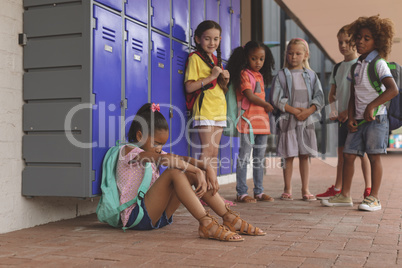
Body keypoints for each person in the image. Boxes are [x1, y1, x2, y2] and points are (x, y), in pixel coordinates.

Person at [116, 103, 266, 241]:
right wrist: (197, 170)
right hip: (136, 218)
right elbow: (165, 160)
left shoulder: (152, 151)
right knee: (174, 171)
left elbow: (180, 158)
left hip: (158, 216)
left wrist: (205, 168)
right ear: (139, 136)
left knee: (188, 172)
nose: (159, 149)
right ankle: (206, 224)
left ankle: (230, 219)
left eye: (162, 145)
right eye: (156, 143)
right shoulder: (130, 151)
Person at [322, 15, 398, 211]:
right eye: (359, 37)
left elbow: (392, 90)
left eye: (367, 38)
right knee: (348, 155)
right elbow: (353, 94)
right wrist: (351, 116)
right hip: (357, 120)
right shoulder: (357, 66)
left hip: (376, 120)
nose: (360, 41)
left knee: (374, 156)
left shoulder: (378, 63)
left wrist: (371, 106)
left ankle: (374, 198)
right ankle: (345, 195)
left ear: (377, 41)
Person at [316, 26, 371, 201]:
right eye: (340, 42)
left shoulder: (361, 65)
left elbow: (361, 93)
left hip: (357, 117)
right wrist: (333, 109)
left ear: (355, 42)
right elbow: (332, 92)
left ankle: (368, 188)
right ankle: (338, 188)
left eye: (347, 42)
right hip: (341, 119)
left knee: (363, 154)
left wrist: (349, 111)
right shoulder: (337, 67)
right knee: (342, 154)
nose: (343, 45)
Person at [271, 38, 324, 201]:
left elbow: (319, 97)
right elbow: (276, 98)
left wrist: (308, 111)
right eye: (290, 53)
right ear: (285, 54)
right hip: (288, 121)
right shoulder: (281, 75)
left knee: (304, 155)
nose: (293, 56)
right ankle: (287, 188)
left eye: (298, 53)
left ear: (306, 55)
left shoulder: (312, 75)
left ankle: (305, 189)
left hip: (306, 121)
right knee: (288, 155)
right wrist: (294, 111)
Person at [225, 41, 275, 203]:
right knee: (244, 157)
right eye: (254, 58)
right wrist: (266, 104)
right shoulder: (244, 74)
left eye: (261, 59)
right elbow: (249, 95)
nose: (258, 62)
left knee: (259, 159)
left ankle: (259, 192)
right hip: (247, 123)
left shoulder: (260, 75)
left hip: (262, 124)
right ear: (247, 58)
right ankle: (242, 192)